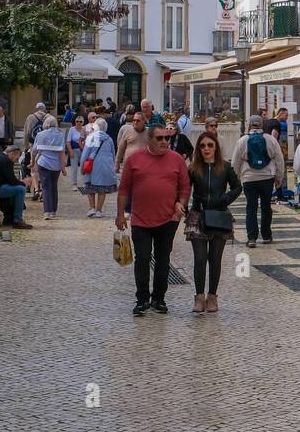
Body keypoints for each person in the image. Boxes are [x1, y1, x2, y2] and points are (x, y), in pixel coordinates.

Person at [117, 123, 190, 316]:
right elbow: (124, 189)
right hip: (140, 219)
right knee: (142, 258)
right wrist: (119, 215)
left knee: (163, 259)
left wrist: (180, 204)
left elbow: (185, 187)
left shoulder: (177, 160)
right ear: (149, 140)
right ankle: (142, 299)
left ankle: (159, 298)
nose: (165, 141)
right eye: (160, 138)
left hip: (168, 219)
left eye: (167, 138)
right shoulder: (135, 159)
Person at [188, 133, 241, 314]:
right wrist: (183, 205)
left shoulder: (225, 167)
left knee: (215, 259)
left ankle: (212, 297)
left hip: (219, 216)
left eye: (210, 145)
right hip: (198, 216)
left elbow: (237, 187)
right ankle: (199, 297)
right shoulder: (194, 168)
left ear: (216, 147)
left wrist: (224, 199)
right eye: (202, 146)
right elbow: (184, 188)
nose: (206, 149)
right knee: (200, 258)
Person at [232, 115, 284, 248]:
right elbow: (279, 160)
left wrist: (237, 177)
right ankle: (266, 235)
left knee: (251, 207)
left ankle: (252, 238)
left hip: (249, 179)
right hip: (267, 178)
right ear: (262, 125)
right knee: (266, 207)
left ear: (249, 125)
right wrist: (279, 177)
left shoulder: (242, 140)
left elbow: (235, 162)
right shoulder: (271, 139)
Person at [32, 115, 68, 220]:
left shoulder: (40, 134)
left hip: (43, 163)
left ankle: (46, 212)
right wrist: (63, 168)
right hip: (56, 165)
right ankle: (53, 211)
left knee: (46, 187)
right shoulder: (60, 135)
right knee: (54, 187)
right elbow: (61, 153)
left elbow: (34, 150)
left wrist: (33, 161)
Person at [80, 118, 117, 217]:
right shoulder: (109, 139)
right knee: (102, 189)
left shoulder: (91, 137)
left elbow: (85, 154)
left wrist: (82, 167)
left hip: (92, 165)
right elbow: (113, 154)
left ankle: (92, 208)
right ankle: (99, 210)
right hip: (106, 165)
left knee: (90, 187)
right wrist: (112, 166)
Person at [67, 114, 86, 189]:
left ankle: (85, 182)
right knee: (74, 167)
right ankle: (74, 184)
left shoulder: (85, 129)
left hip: (83, 150)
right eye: (77, 121)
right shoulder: (72, 129)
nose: (78, 123)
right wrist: (70, 151)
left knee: (84, 167)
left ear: (83, 122)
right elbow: (68, 141)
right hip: (74, 149)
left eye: (80, 121)